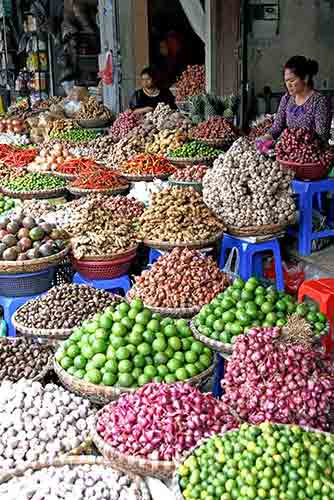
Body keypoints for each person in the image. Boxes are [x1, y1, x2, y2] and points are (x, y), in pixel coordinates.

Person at [267, 56, 332, 143]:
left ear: (305, 78)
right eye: (286, 81)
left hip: (312, 152)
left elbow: (322, 136)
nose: (288, 85)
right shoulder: (287, 99)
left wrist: (298, 141)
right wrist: (265, 138)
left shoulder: (319, 101)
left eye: (292, 81)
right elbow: (277, 127)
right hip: (291, 150)